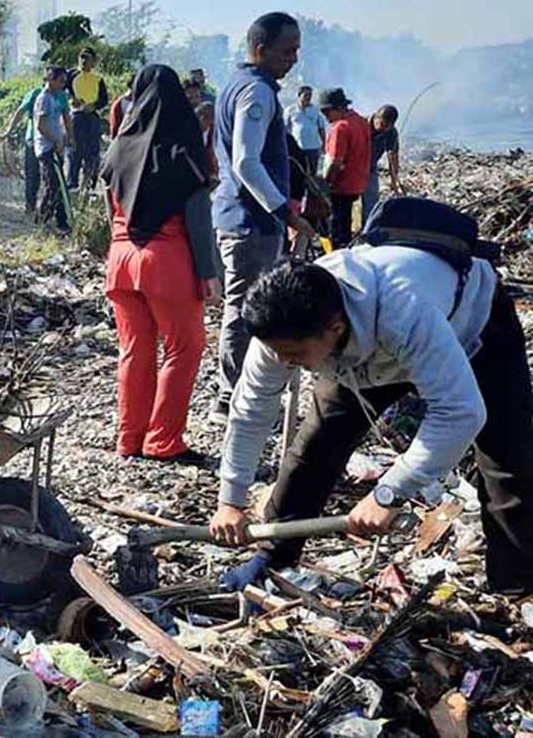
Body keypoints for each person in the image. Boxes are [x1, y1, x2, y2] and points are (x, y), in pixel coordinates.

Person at [209, 236, 533, 598]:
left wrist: (389, 492)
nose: (284, 362)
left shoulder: (404, 312)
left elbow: (460, 412)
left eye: (294, 354)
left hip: (472, 325)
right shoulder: (279, 327)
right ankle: (274, 558)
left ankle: (515, 586)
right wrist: (231, 500)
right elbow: (251, 411)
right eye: (279, 353)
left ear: (333, 327)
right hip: (360, 357)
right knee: (315, 447)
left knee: (506, 460)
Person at [99, 65, 221, 465]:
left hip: (120, 259)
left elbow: (111, 212)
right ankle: (164, 440)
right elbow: (198, 217)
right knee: (184, 347)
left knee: (134, 350)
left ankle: (129, 439)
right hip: (166, 261)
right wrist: (209, 273)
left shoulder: (118, 148)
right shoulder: (182, 145)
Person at [209, 12, 316, 426]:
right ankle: (233, 396)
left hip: (240, 217)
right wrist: (285, 212)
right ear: (261, 49)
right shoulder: (256, 92)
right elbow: (246, 161)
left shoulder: (236, 86)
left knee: (244, 304)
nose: (293, 58)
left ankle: (234, 394)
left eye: (297, 49)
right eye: (287, 50)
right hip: (250, 222)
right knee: (246, 307)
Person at [8, 79, 71, 214]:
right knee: (33, 175)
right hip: (34, 139)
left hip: (54, 142)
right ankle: (30, 206)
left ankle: (47, 211)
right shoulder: (37, 94)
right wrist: (9, 130)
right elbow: (20, 111)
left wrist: (68, 137)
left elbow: (66, 117)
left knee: (53, 178)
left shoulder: (61, 96)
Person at [318, 87, 371, 248]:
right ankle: (345, 246)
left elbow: (335, 162)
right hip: (358, 182)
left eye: (327, 112)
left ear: (339, 108)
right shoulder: (361, 121)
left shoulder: (340, 128)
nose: (325, 117)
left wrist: (325, 184)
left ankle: (336, 254)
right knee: (345, 218)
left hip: (341, 184)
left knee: (336, 222)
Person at [34, 66, 73, 235]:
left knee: (59, 186)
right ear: (50, 79)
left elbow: (64, 119)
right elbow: (41, 126)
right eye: (60, 81)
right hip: (46, 147)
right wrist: (57, 139)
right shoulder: (44, 99)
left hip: (56, 146)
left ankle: (61, 222)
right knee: (52, 185)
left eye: (65, 81)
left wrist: (66, 139)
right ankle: (42, 221)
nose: (63, 84)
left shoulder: (57, 97)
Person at [66, 47, 109, 190]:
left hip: (91, 118)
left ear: (93, 62)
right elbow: (60, 89)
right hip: (75, 117)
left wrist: (94, 106)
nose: (84, 60)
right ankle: (72, 186)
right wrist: (71, 98)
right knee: (74, 152)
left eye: (87, 58)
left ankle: (90, 186)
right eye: (81, 57)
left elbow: (104, 100)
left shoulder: (98, 79)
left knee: (92, 153)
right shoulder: (70, 75)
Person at [363, 104, 404, 222]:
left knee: (371, 202)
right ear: (376, 117)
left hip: (370, 167)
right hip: (353, 166)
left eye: (388, 127)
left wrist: (394, 180)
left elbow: (393, 156)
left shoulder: (391, 132)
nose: (384, 129)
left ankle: (366, 230)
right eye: (382, 125)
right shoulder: (361, 124)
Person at [283, 85, 327, 171]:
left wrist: (324, 145)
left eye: (310, 95)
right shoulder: (290, 110)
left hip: (313, 148)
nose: (308, 97)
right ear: (299, 95)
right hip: (297, 148)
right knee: (298, 171)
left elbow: (321, 128)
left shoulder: (316, 110)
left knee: (312, 171)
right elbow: (285, 130)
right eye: (306, 95)